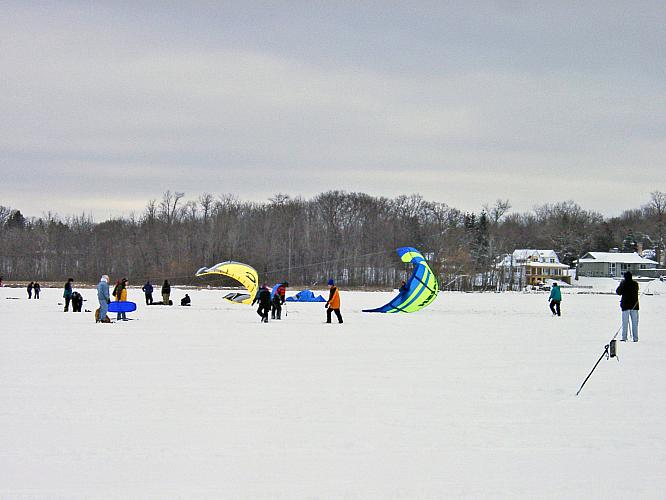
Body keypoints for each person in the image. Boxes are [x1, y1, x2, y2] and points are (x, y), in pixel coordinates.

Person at [616, 271, 639, 342]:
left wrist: (621, 284)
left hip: (625, 306)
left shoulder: (623, 283)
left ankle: (624, 337)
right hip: (634, 306)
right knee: (635, 323)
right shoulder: (635, 284)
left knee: (625, 323)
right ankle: (635, 338)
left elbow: (618, 292)